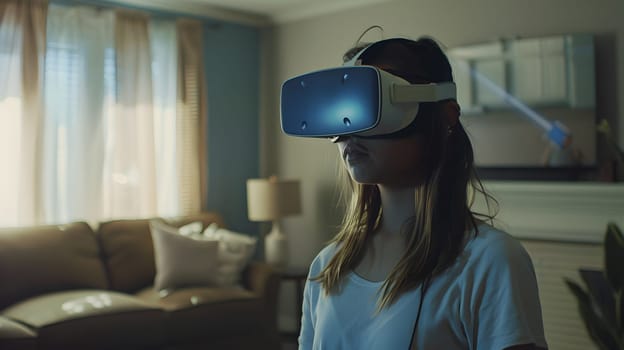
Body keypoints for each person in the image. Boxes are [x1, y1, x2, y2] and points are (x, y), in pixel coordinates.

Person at [296, 36, 548, 350]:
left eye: (370, 103)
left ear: (444, 117)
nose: (349, 133)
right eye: (343, 108)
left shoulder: (490, 262)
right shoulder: (327, 266)